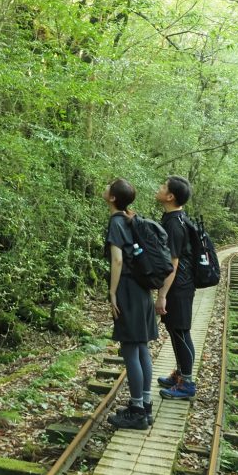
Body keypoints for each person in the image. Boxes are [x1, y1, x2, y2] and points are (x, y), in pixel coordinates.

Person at [102, 178, 158, 430]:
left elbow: (117, 260)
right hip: (143, 290)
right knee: (141, 348)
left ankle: (137, 412)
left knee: (130, 350)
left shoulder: (116, 222)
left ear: (113, 198)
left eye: (108, 187)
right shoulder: (129, 219)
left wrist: (112, 293)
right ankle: (144, 405)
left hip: (127, 290)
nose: (105, 188)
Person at [155, 175, 197, 400]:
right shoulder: (175, 218)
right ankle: (181, 375)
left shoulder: (174, 223)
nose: (159, 188)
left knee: (181, 333)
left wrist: (162, 295)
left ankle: (187, 384)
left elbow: (173, 262)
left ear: (170, 196)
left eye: (163, 186)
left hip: (178, 286)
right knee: (176, 331)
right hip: (180, 284)